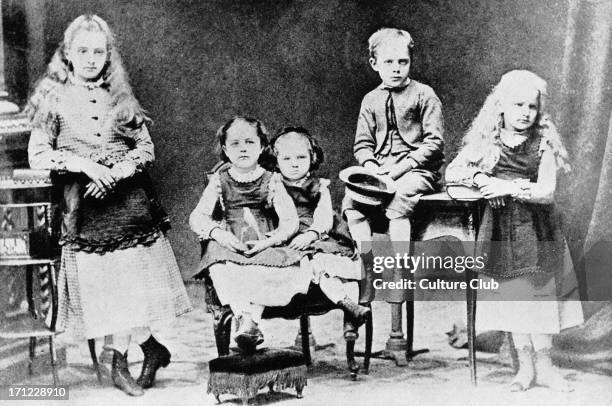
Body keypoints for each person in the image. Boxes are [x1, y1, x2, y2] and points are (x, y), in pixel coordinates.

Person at [27, 15, 192, 396]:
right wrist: (85, 166)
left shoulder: (120, 97)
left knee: (134, 286)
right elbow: (39, 154)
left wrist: (116, 173)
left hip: (128, 207)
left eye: (97, 51)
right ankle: (151, 349)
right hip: (84, 211)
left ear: (108, 55)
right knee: (107, 290)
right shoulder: (53, 100)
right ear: (67, 54)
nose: (89, 59)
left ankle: (119, 360)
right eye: (81, 51)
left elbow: (146, 148)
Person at [445, 70, 583, 391]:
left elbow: (546, 190)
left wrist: (505, 188)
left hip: (536, 230)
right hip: (500, 233)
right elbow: (455, 171)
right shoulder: (490, 141)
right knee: (513, 299)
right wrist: (482, 181)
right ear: (501, 107)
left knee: (538, 297)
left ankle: (546, 367)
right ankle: (525, 369)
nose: (525, 113)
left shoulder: (542, 142)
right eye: (517, 105)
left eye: (531, 107)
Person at [189, 116, 312, 352]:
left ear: (262, 146)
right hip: (232, 240)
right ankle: (248, 321)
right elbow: (197, 217)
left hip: (263, 240)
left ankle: (248, 321)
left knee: (269, 269)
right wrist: (219, 234)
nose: (243, 148)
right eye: (235, 144)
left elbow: (290, 222)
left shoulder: (272, 179)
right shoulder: (219, 180)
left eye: (249, 142)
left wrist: (271, 241)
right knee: (220, 267)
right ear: (225, 149)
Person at [342, 27, 444, 303]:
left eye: (403, 61)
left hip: (418, 170)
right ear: (374, 64)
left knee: (398, 199)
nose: (396, 69)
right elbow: (362, 144)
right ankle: (367, 268)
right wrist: (371, 165)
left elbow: (434, 143)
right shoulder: (370, 100)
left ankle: (401, 273)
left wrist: (400, 168)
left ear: (411, 61)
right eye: (389, 62)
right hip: (381, 169)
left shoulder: (425, 95)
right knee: (352, 204)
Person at [270, 127, 370, 341]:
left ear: (312, 157)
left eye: (301, 157)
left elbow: (324, 215)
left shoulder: (318, 186)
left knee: (331, 265)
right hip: (287, 236)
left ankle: (351, 318)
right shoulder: (271, 185)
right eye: (286, 158)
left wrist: (313, 233)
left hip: (318, 234)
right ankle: (347, 304)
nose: (294, 163)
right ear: (276, 161)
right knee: (314, 265)